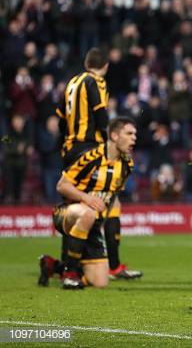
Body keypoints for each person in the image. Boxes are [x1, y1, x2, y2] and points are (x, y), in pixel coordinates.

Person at [55, 48, 141, 280]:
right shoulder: (97, 81)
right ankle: (98, 266)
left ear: (86, 62)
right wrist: (107, 143)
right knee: (104, 205)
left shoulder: (71, 83)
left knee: (77, 207)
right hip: (90, 147)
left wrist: (64, 146)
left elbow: (61, 120)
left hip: (70, 147)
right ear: (105, 66)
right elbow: (101, 116)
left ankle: (67, 266)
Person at [38, 117, 136, 289]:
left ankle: (53, 266)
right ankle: (70, 274)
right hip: (67, 214)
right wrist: (86, 198)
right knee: (88, 212)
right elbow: (61, 185)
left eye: (135, 134)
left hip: (92, 225)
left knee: (100, 282)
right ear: (114, 136)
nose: (134, 137)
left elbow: (113, 199)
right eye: (129, 133)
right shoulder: (91, 157)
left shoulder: (127, 165)